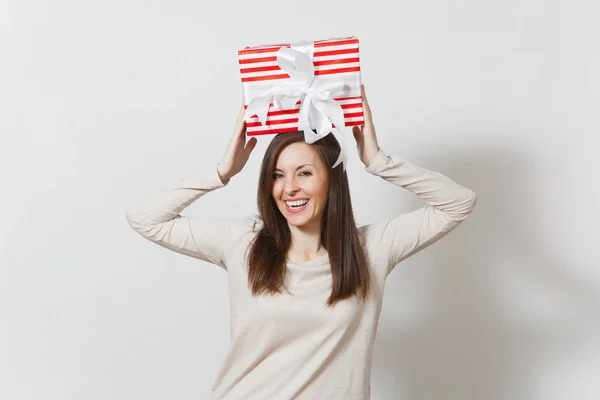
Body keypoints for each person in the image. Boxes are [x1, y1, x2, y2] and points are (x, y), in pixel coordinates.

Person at [125, 86, 477, 400]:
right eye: (278, 175)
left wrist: (378, 161)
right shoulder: (242, 244)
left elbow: (458, 202)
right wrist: (223, 170)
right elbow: (145, 218)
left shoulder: (372, 249)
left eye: (304, 173)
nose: (288, 187)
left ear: (332, 181)